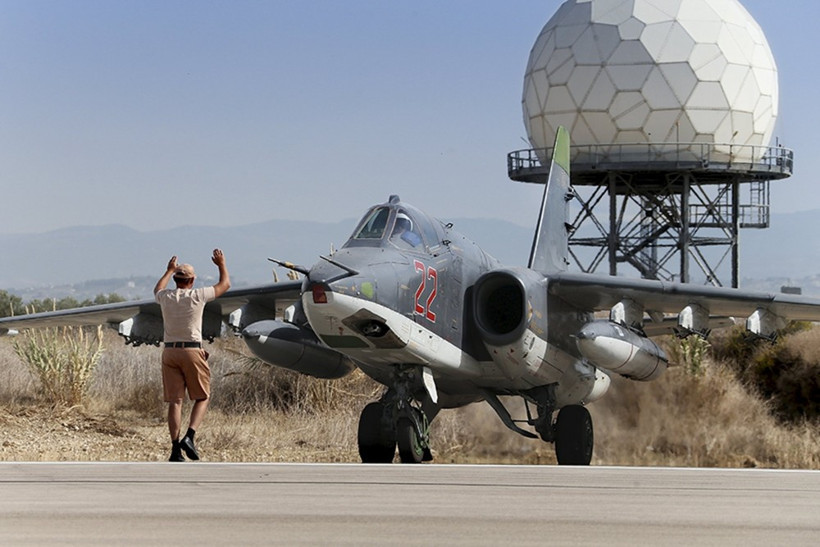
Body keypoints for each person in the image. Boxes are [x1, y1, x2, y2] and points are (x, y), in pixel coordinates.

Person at [153, 249, 230, 462]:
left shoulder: (166, 297)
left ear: (176, 280)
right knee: (202, 396)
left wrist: (168, 271)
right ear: (192, 280)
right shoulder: (198, 295)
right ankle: (190, 435)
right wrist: (221, 264)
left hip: (169, 351)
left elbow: (157, 289)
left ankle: (175, 449)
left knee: (175, 402)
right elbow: (225, 285)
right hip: (192, 350)